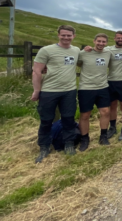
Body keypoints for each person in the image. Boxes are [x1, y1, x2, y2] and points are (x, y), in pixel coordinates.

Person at [31, 25, 81, 163]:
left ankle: (69, 143)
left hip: (69, 91)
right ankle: (44, 146)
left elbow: (85, 59)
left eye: (69, 35)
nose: (66, 38)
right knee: (46, 120)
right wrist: (37, 90)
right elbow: (36, 71)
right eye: (63, 35)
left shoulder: (76, 50)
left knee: (68, 118)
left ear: (73, 36)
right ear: (58, 35)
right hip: (49, 91)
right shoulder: (46, 50)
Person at [77, 33, 113, 150]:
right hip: (86, 88)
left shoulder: (108, 52)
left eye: (103, 42)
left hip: (103, 86)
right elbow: (75, 63)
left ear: (106, 43)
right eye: (99, 41)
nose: (101, 44)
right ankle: (84, 139)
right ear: (94, 41)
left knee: (105, 112)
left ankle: (103, 136)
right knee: (85, 114)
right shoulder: (84, 53)